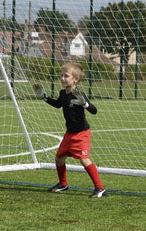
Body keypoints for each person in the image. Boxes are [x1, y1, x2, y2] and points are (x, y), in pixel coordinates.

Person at [33, 62, 107, 198]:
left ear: (76, 79)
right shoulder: (63, 93)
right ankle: (63, 184)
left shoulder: (79, 94)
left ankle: (100, 188)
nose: (62, 78)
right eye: (61, 75)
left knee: (84, 160)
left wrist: (85, 104)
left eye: (66, 76)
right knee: (59, 158)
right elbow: (57, 105)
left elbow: (94, 111)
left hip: (81, 133)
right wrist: (45, 98)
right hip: (69, 134)